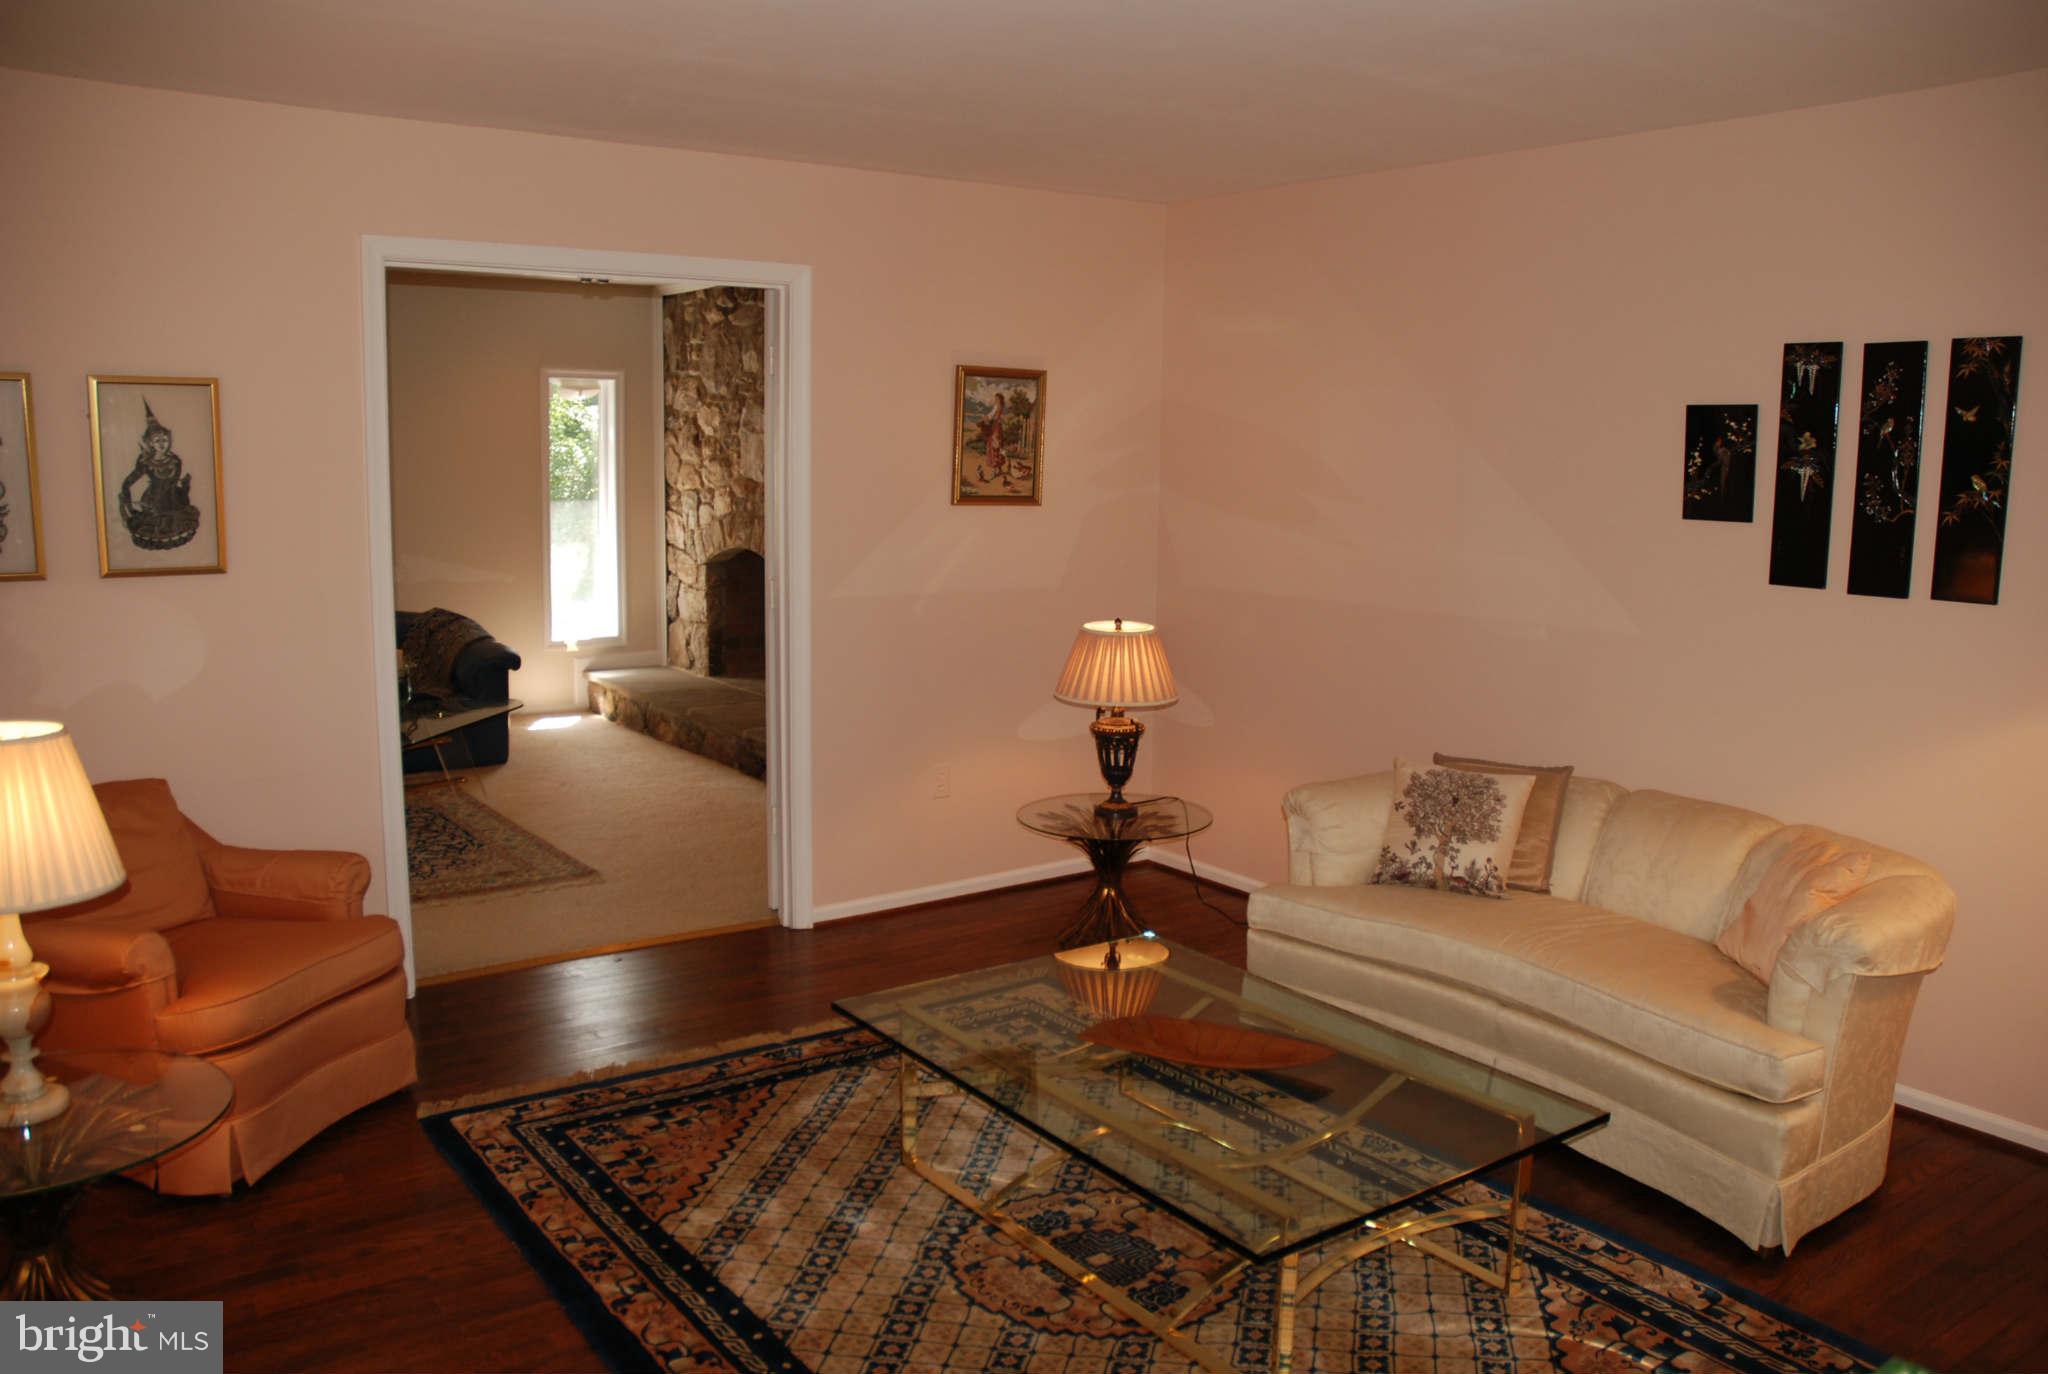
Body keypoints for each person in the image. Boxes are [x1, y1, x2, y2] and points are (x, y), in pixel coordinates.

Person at [118, 399, 200, 549]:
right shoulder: (146, 463)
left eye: (164, 440)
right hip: (153, 504)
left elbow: (175, 486)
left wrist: (186, 486)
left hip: (174, 502)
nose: (162, 444)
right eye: (157, 441)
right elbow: (126, 484)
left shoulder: (175, 460)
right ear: (150, 443)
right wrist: (128, 506)